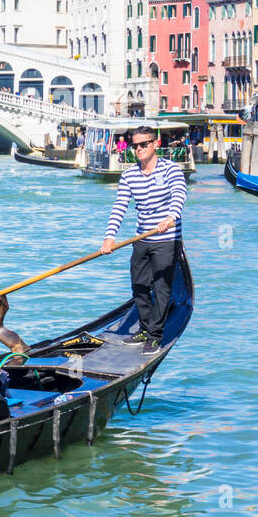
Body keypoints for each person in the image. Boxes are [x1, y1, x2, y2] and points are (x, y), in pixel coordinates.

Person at [99, 124, 186, 355]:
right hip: (142, 237)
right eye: (135, 145)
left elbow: (179, 195)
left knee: (161, 288)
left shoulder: (171, 170)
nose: (139, 148)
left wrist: (170, 218)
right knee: (138, 286)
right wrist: (109, 238)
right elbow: (119, 207)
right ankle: (145, 328)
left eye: (144, 144)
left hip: (166, 238)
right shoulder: (129, 174)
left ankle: (155, 336)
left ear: (155, 144)